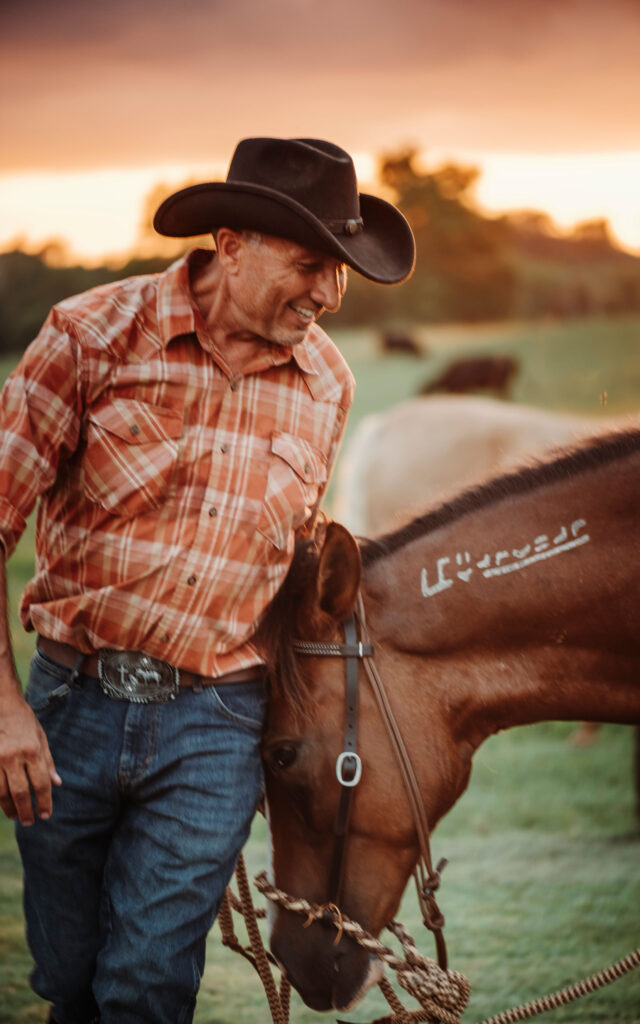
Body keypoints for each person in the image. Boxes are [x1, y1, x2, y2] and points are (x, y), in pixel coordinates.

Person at [0, 137, 415, 1024]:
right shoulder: (91, 336)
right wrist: (6, 711)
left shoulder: (327, 384)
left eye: (340, 273)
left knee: (147, 989)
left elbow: (291, 568)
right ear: (230, 243)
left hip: (216, 723)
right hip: (67, 707)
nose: (329, 296)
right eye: (310, 265)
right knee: (70, 981)